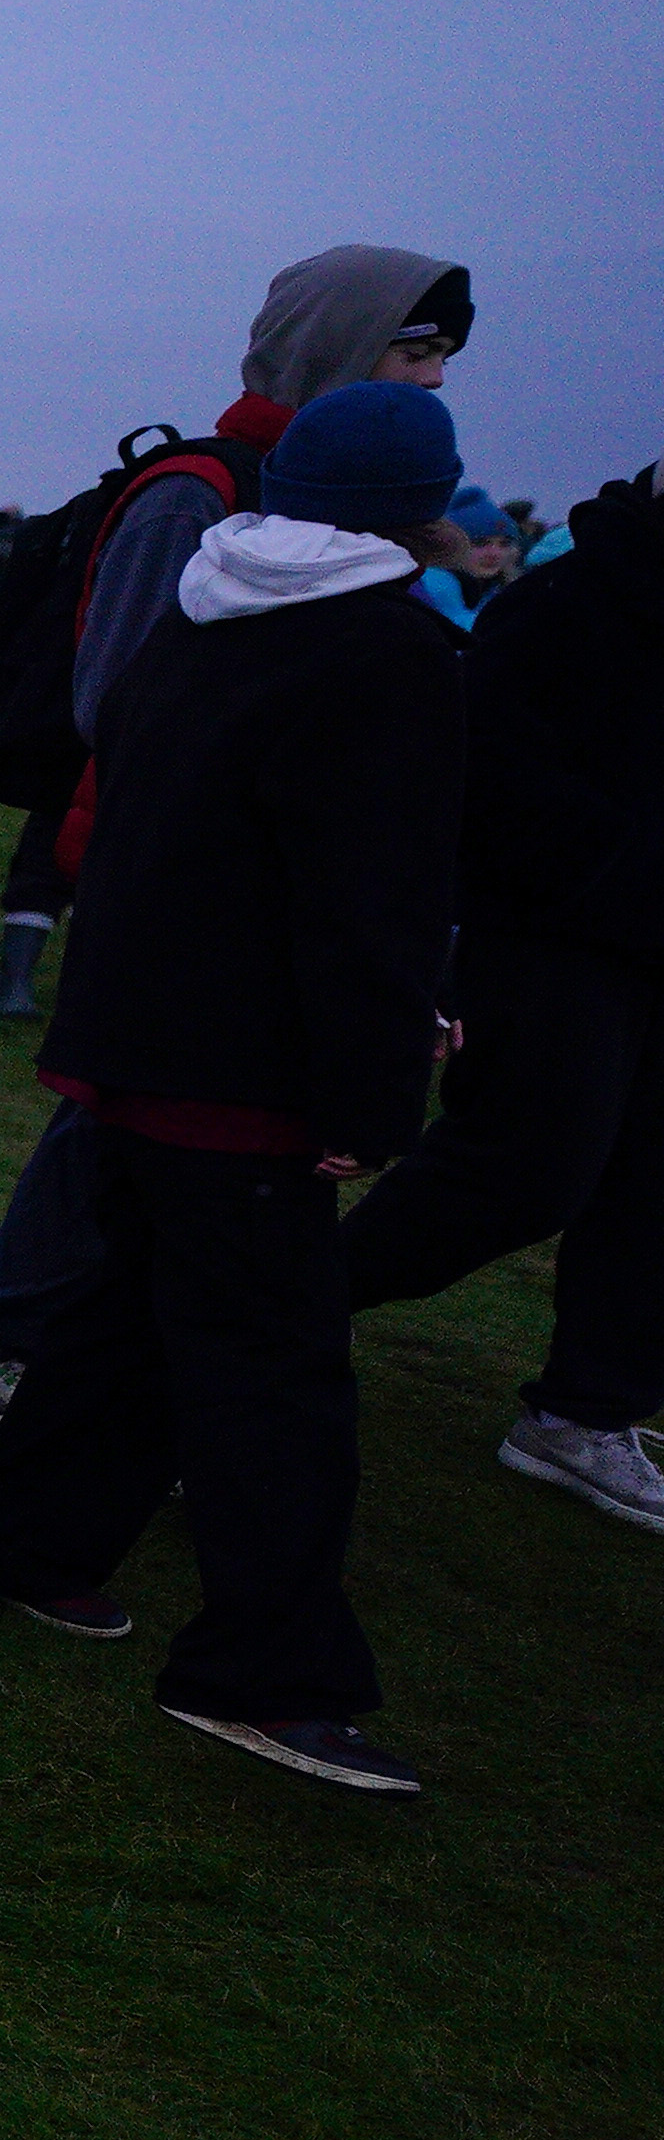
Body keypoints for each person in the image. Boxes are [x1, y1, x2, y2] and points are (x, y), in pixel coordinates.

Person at [0, 382, 468, 1795]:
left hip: (142, 1033)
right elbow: (365, 897)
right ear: (421, 503)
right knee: (275, 1375)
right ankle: (264, 1672)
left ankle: (9, 1541)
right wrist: (369, 1094)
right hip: (248, 1071)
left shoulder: (207, 612)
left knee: (128, 1319)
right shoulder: (382, 651)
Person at [0, 246, 473, 1424]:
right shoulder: (203, 487)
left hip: (220, 856)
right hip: (160, 851)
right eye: (413, 351)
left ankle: (45, 1348)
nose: (430, 381)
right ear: (339, 347)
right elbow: (122, 689)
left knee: (147, 1116)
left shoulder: (314, 493)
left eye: (441, 359)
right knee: (131, 1107)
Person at [340, 465, 662, 1530]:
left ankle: (585, 1410)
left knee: (650, 1182)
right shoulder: (568, 599)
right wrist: (620, 872)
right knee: (528, 1165)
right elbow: (486, 776)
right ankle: (295, 1299)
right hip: (554, 940)